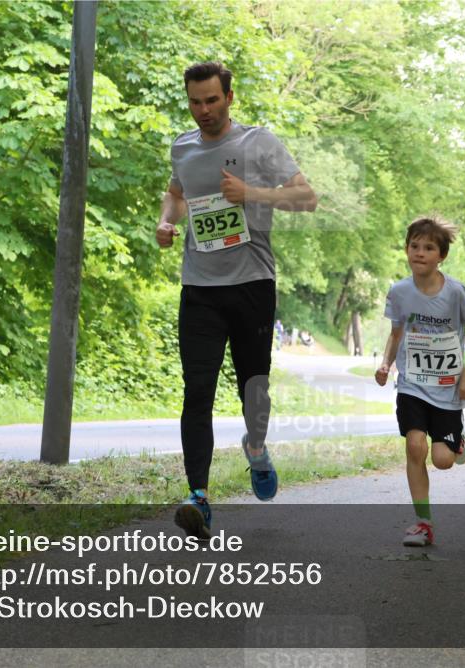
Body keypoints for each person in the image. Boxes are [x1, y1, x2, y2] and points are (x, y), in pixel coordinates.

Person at [155, 61, 318, 540]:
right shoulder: (182, 146)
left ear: (230, 96)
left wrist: (251, 193)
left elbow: (306, 198)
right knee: (196, 390)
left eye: (212, 100)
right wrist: (167, 222)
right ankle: (199, 498)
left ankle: (257, 446)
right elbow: (177, 194)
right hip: (200, 288)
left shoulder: (257, 143)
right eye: (194, 102)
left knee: (254, 389)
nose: (203, 110)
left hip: (251, 284)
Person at [374, 217, 465, 547]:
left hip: (448, 387)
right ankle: (423, 523)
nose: (420, 253)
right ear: (406, 249)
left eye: (428, 248)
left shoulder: (456, 293)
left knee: (442, 460)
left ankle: (458, 442)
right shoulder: (399, 292)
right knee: (415, 446)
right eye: (414, 246)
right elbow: (396, 332)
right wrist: (385, 363)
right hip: (411, 383)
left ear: (442, 256)